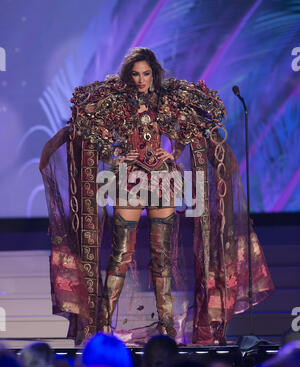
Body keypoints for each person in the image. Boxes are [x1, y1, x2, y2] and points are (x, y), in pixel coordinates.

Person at [40, 47, 274, 346]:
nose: (141, 79)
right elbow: (92, 135)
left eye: (146, 74)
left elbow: (190, 129)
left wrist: (174, 151)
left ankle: (166, 328)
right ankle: (104, 326)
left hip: (162, 179)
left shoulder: (167, 100)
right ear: (129, 75)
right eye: (136, 74)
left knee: (161, 258)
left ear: (154, 74)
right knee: (120, 255)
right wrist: (118, 158)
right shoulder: (117, 104)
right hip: (128, 181)